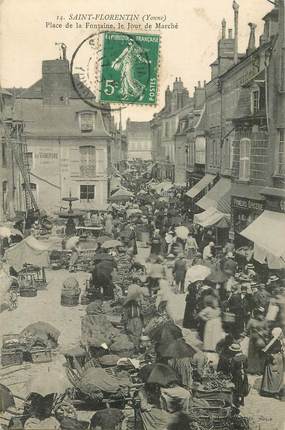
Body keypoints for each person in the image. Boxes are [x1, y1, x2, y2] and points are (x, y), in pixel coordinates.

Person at [260, 327, 284, 399]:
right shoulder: (273, 341)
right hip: (273, 362)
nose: (282, 334)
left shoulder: (279, 340)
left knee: (278, 376)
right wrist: (271, 357)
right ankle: (271, 391)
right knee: (273, 376)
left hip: (279, 360)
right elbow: (264, 350)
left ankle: (276, 390)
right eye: (281, 333)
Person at [246, 308, 268, 375]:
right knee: (252, 355)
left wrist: (262, 331)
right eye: (258, 313)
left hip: (261, 340)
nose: (260, 315)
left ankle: (260, 370)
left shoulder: (264, 321)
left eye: (261, 313)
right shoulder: (251, 321)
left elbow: (267, 331)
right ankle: (252, 370)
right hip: (252, 340)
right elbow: (246, 330)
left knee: (260, 355)